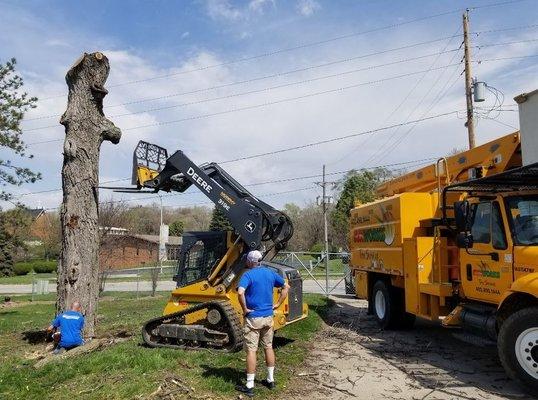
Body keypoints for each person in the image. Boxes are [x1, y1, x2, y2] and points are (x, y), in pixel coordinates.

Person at [235, 250, 290, 397]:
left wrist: (245, 309)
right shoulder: (270, 273)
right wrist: (278, 304)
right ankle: (270, 380)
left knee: (252, 350)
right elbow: (286, 287)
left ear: (250, 261)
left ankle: (250, 385)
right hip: (268, 317)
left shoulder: (247, 275)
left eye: (247, 260)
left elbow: (240, 292)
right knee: (268, 347)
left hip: (253, 318)